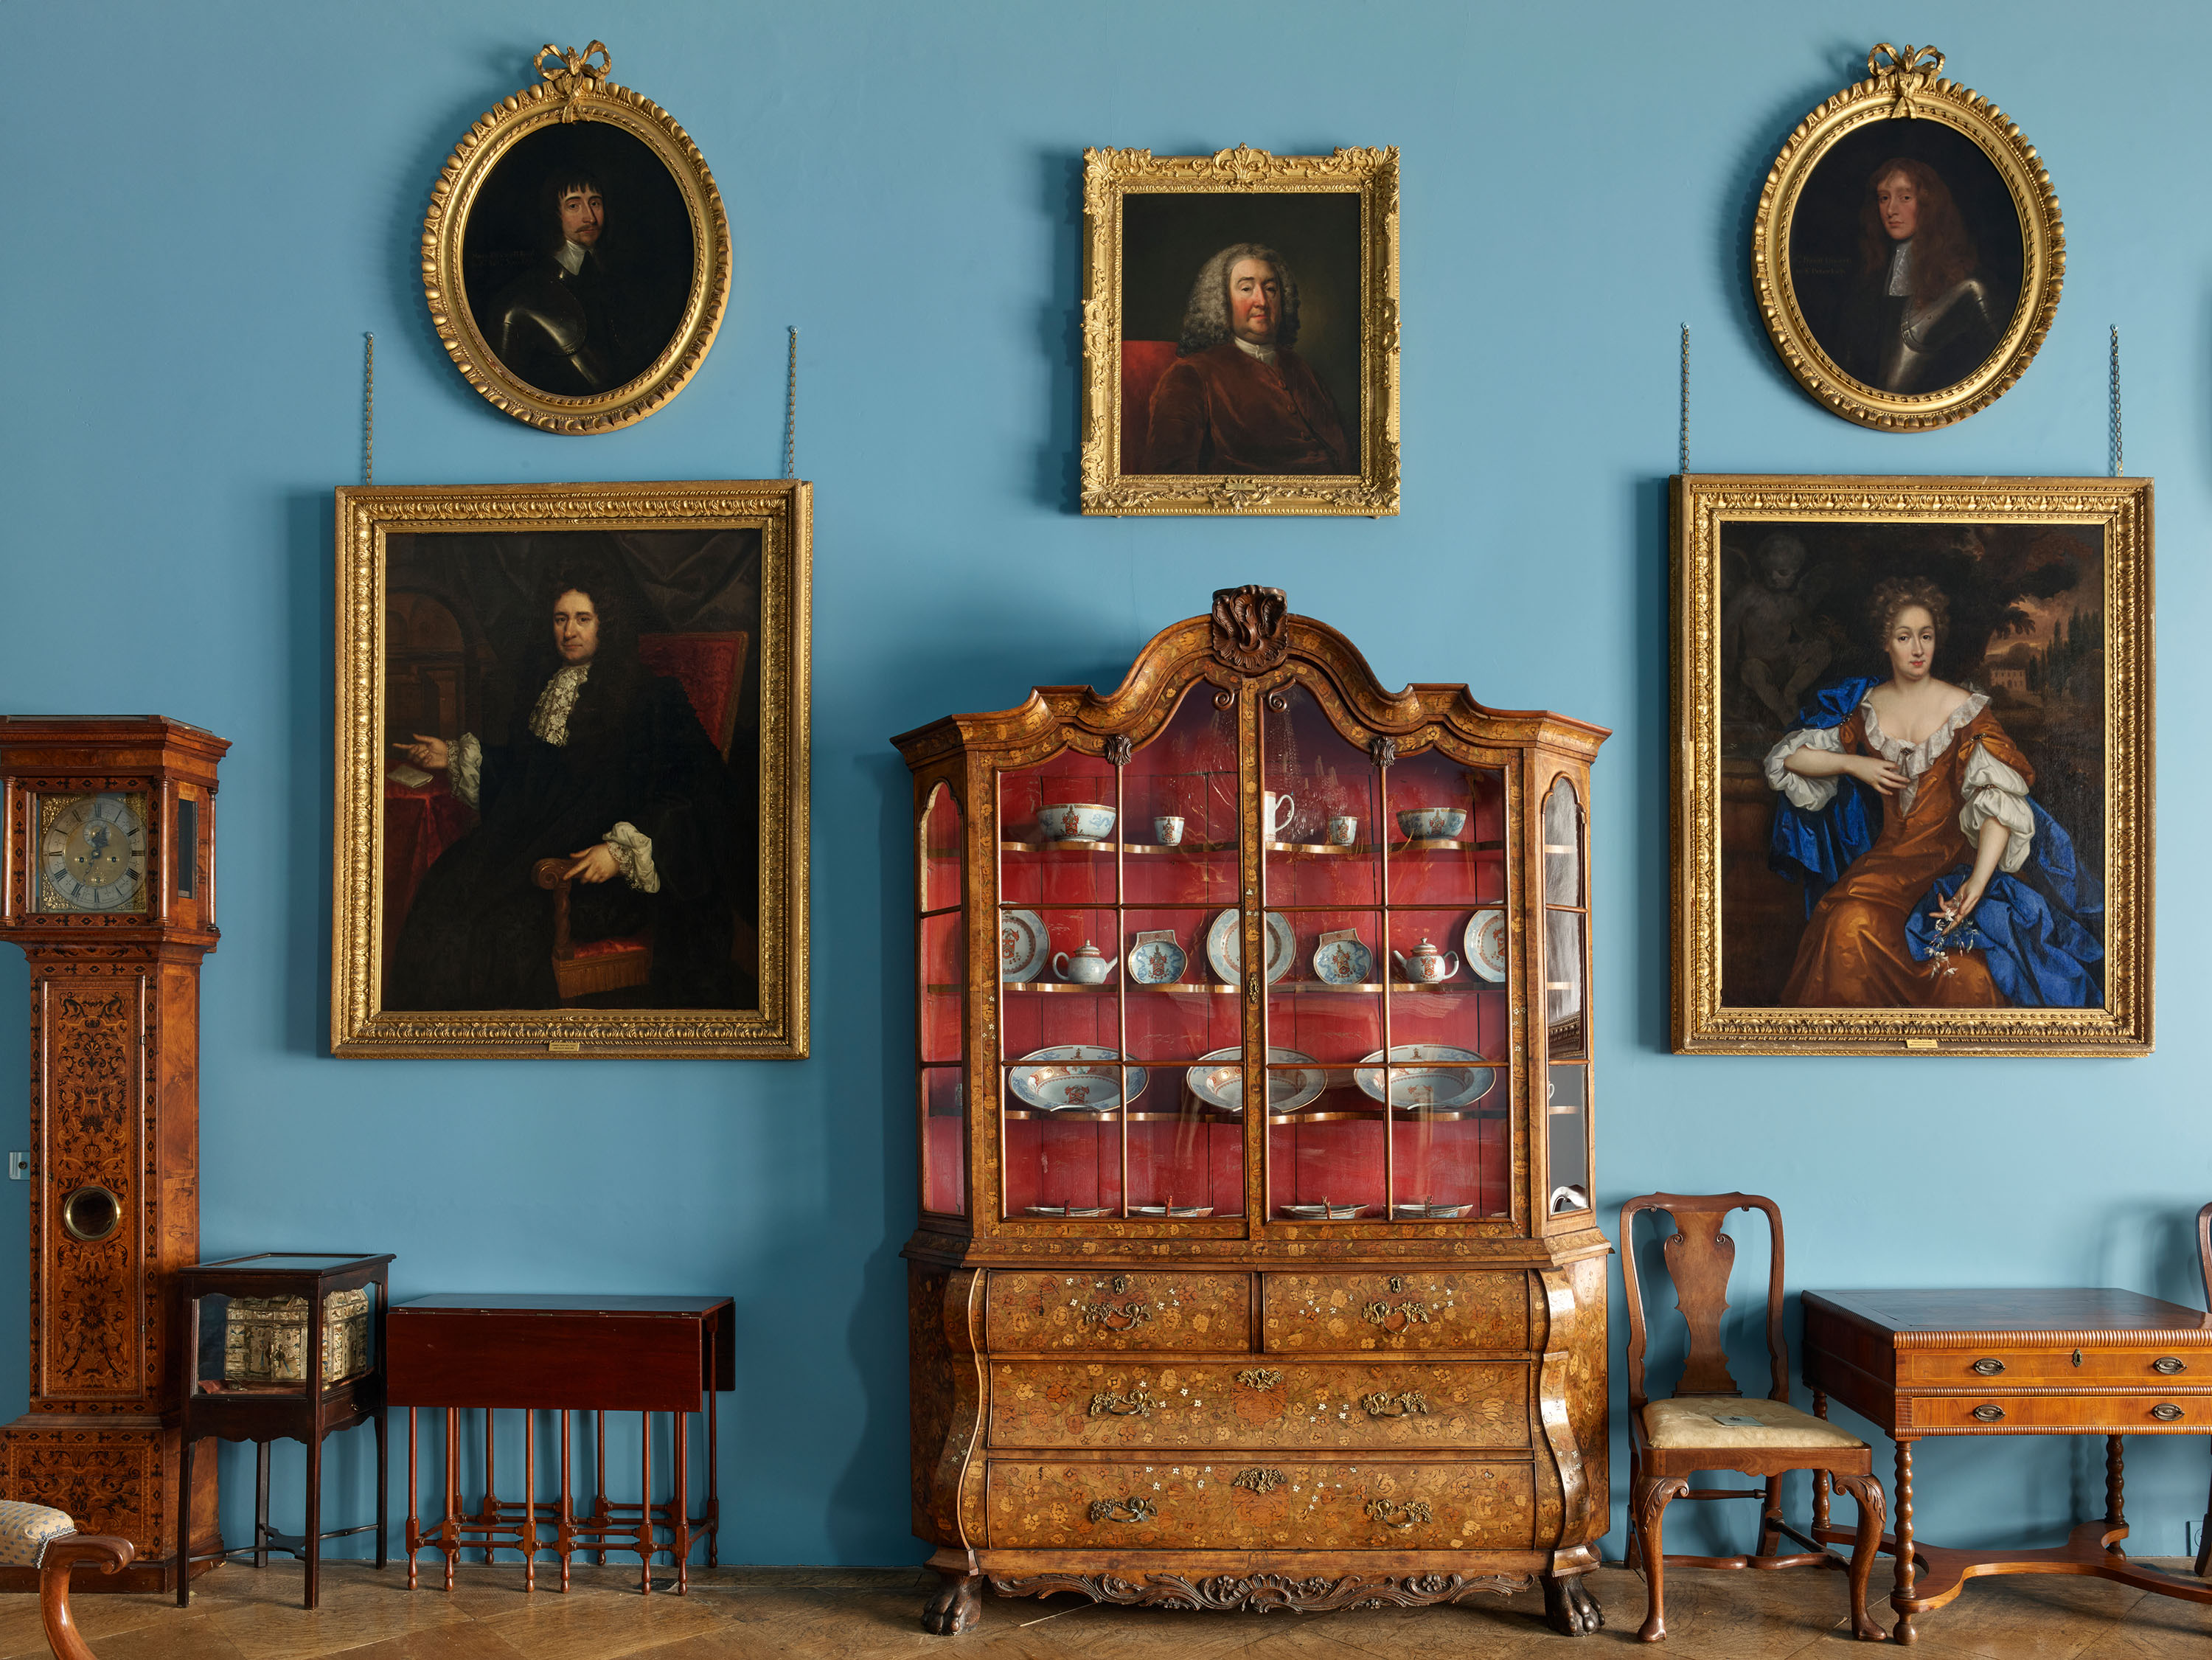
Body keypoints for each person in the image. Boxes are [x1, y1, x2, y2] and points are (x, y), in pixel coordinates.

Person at [385, 569, 742, 1010]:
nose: (569, 631)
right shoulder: (549, 687)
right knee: (445, 894)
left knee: (503, 926)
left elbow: (693, 794)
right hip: (534, 852)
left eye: (583, 619)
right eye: (560, 619)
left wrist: (619, 852)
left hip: (599, 880)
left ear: (605, 625)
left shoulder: (651, 698)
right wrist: (453, 756)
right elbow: (530, 781)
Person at [1764, 577, 2099, 1007]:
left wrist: (1977, 885)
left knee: (1965, 972)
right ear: (1887, 643)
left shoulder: (1966, 712)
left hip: (1957, 866)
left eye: (1926, 636)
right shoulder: (1864, 709)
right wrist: (1854, 763)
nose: (1918, 649)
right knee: (1844, 926)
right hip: (1887, 867)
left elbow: (2000, 803)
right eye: (1905, 637)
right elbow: (1789, 758)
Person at [1144, 243, 1352, 474]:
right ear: (1221, 301)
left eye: (1271, 289)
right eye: (1246, 289)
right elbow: (1169, 480)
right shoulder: (1191, 375)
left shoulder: (1301, 369)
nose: (1262, 301)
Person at [1831, 158, 2002, 395]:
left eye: (1905, 197)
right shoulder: (1869, 283)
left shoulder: (1967, 288)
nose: (1891, 210)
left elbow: (1994, 368)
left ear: (1928, 203)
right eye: (1884, 198)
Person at [489, 170, 643, 395]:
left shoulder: (618, 282)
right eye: (574, 206)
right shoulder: (522, 299)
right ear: (555, 213)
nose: (589, 217)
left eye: (595, 203)